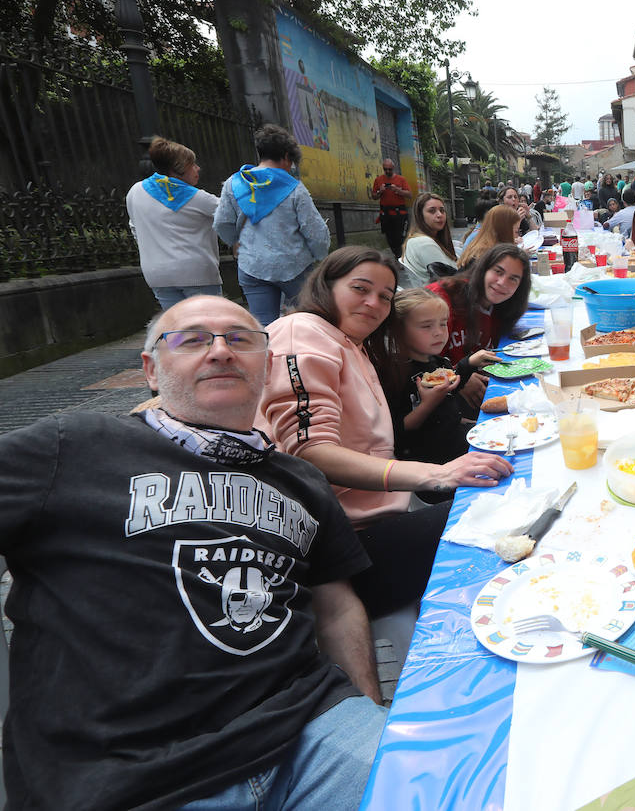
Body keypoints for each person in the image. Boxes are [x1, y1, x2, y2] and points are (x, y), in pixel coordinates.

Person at [0, 295, 386, 809]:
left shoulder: (302, 481)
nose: (221, 351)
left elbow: (336, 608)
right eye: (192, 339)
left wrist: (369, 714)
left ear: (267, 365)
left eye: (241, 339)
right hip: (125, 774)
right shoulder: (73, 446)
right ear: (151, 370)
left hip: (311, 732)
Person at [257, 247, 513, 620]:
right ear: (326, 286)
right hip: (343, 548)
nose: (373, 303)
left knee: (506, 489)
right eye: (360, 288)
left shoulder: (353, 344)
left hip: (383, 517)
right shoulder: (302, 332)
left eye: (384, 296)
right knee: (497, 513)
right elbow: (310, 451)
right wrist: (438, 474)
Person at [215, 124, 331, 326]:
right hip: (295, 266)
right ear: (286, 156)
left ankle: (269, 356)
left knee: (264, 326)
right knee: (305, 321)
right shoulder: (295, 188)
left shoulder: (234, 184)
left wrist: (235, 242)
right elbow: (316, 234)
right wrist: (320, 256)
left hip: (252, 265)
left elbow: (222, 222)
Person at [383, 288, 498, 464]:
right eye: (426, 326)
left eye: (443, 323)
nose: (439, 332)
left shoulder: (437, 362)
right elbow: (398, 430)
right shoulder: (394, 374)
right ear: (398, 330)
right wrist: (428, 404)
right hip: (434, 462)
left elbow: (450, 388)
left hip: (457, 440)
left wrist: (468, 364)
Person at [126, 135, 222, 309]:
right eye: (193, 165)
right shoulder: (199, 198)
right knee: (208, 326)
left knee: (177, 329)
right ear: (179, 169)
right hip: (197, 273)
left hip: (157, 274)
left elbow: (134, 227)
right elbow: (232, 214)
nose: (198, 169)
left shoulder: (135, 191)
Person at [429, 242, 532, 375]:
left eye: (513, 279)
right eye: (498, 272)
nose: (502, 283)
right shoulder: (443, 298)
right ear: (484, 269)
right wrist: (458, 379)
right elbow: (421, 362)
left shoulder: (503, 308)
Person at [399, 192, 459, 288]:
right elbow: (451, 281)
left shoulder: (420, 240)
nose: (439, 215)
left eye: (442, 210)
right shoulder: (423, 243)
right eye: (432, 211)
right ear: (420, 215)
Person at [456, 204, 522, 270]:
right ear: (504, 231)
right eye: (516, 232)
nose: (517, 236)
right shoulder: (488, 255)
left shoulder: (485, 244)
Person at [371, 158, 412, 257]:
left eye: (390, 169)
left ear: (393, 168)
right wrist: (380, 191)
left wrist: (398, 190)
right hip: (386, 213)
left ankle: (400, 257)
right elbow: (373, 196)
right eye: (385, 169)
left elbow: (409, 194)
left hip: (399, 213)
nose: (388, 171)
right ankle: (398, 256)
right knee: (389, 237)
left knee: (399, 237)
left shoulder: (401, 179)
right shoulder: (378, 180)